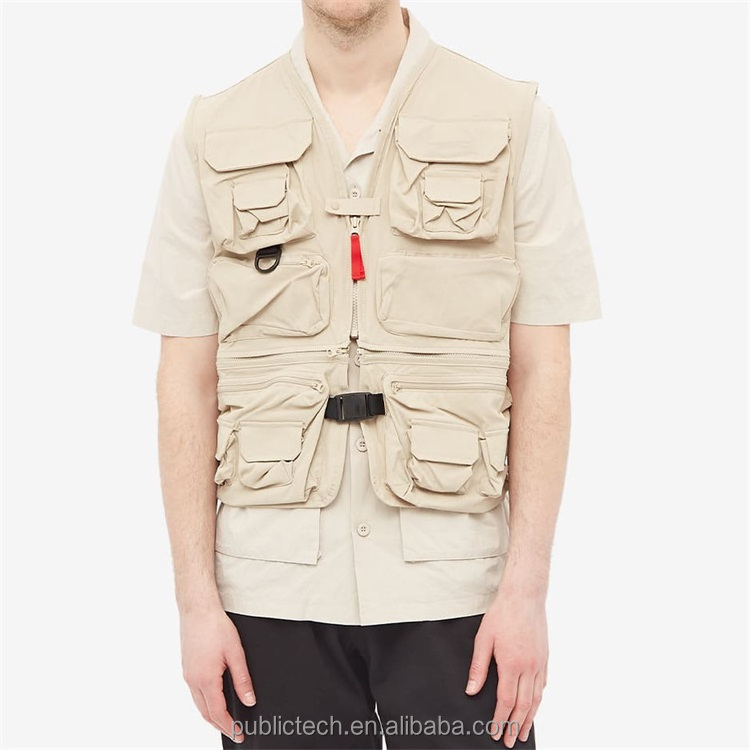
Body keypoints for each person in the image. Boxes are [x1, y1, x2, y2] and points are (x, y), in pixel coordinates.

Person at [132, 2, 601, 748]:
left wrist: (526, 591)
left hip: (461, 593)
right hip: (269, 595)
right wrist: (195, 603)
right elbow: (185, 379)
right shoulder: (212, 130)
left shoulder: (513, 119)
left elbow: (542, 368)